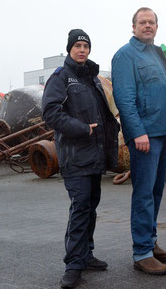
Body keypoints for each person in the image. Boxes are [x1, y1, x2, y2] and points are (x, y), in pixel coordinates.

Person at [42, 29, 120, 288]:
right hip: (75, 157)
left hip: (95, 156)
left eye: (86, 45)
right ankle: (73, 265)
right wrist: (83, 128)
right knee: (80, 209)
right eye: (77, 45)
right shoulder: (61, 77)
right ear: (69, 49)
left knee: (90, 207)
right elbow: (51, 113)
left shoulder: (92, 79)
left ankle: (86, 255)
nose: (82, 49)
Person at [111, 7, 166, 275]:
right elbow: (124, 98)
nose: (147, 26)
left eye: (151, 22)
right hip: (144, 136)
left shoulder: (157, 53)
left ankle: (151, 242)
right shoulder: (124, 56)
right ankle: (141, 252)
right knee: (143, 193)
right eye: (142, 22)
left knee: (156, 191)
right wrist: (137, 131)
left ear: (156, 26)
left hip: (162, 132)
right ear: (133, 27)